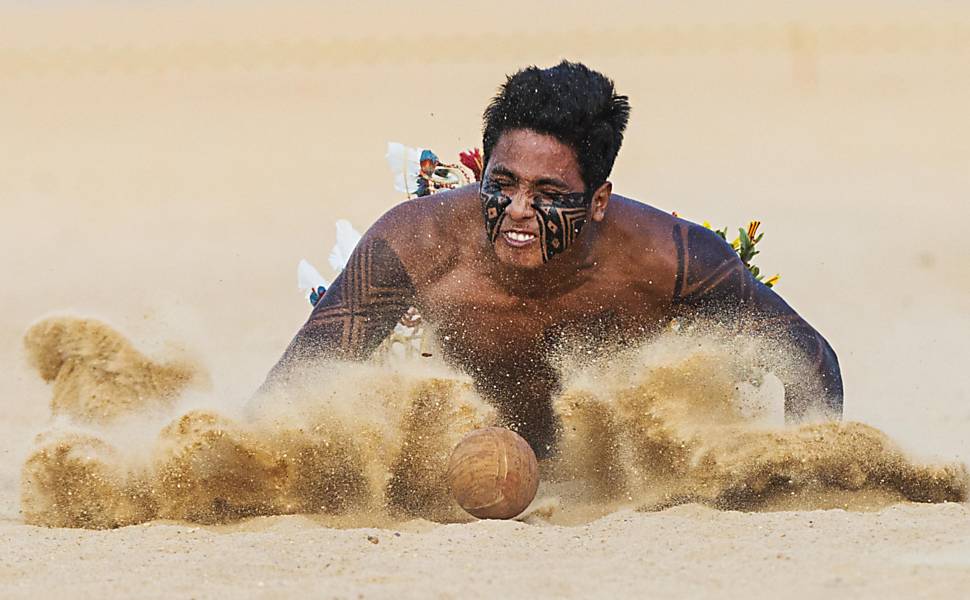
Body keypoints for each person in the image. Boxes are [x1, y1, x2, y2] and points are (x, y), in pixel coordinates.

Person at [264, 61, 842, 456]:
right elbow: (296, 387)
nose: (517, 209)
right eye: (503, 184)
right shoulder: (415, 245)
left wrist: (799, 476)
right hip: (455, 461)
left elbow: (813, 362)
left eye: (547, 194)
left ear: (597, 202)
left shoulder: (672, 259)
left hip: (619, 476)